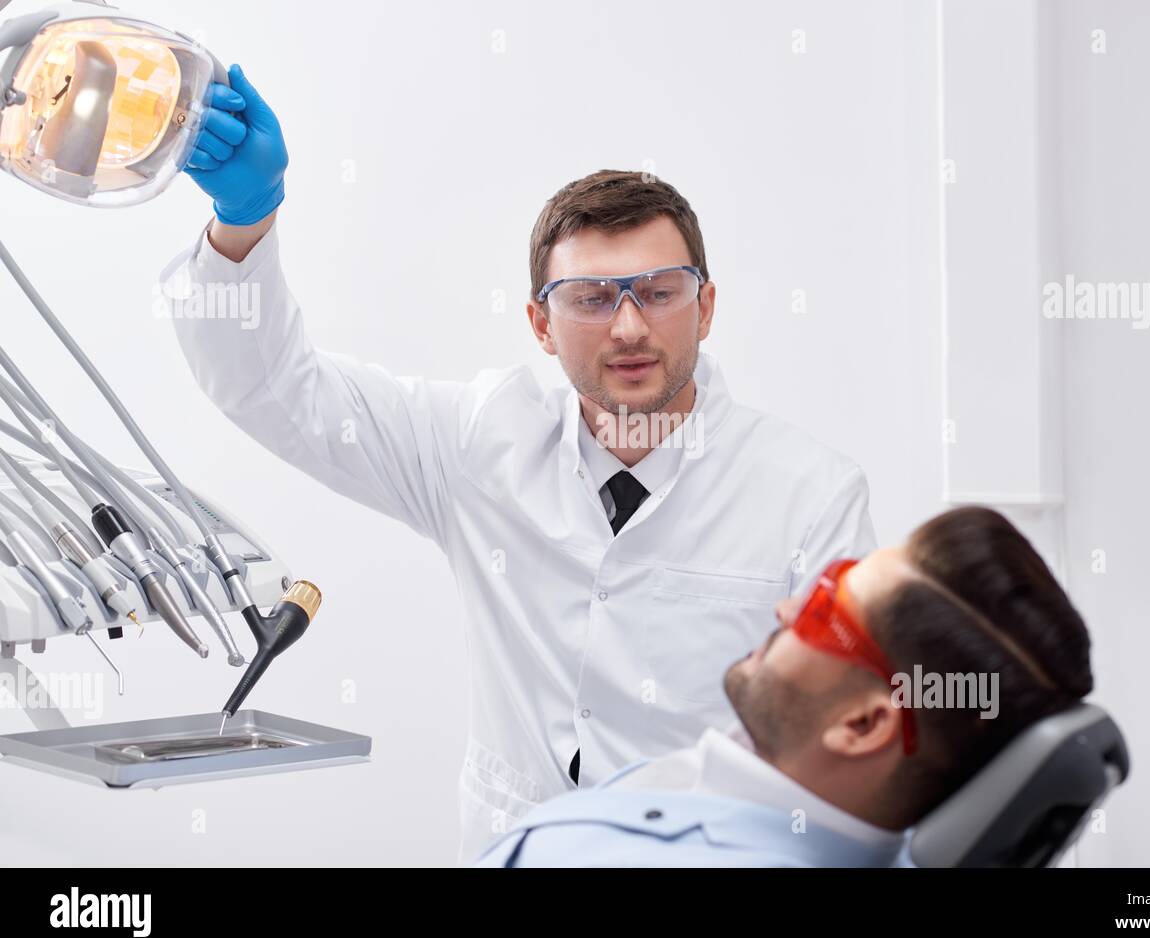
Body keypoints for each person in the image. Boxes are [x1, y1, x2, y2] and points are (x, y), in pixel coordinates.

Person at [159, 66, 877, 860]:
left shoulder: (810, 494)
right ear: (540, 322)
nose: (630, 326)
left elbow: (847, 745)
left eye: (659, 291)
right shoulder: (478, 444)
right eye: (592, 298)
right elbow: (274, 391)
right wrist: (243, 223)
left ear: (705, 306)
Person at [476, 507, 1094, 867]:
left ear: (863, 725)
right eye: (833, 575)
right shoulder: (737, 785)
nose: (785, 608)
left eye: (825, 610)